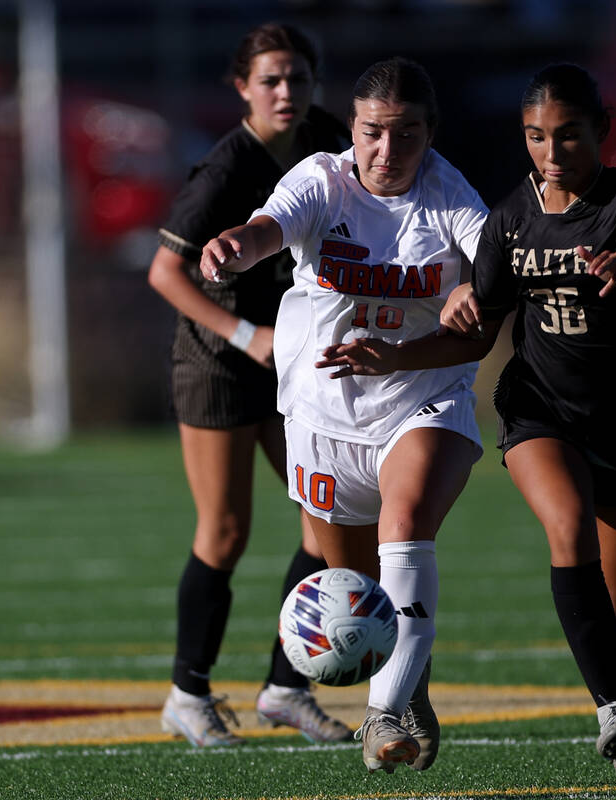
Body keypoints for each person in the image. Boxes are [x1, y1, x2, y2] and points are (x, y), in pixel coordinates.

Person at [316, 62, 616, 778]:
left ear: (602, 131)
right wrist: (394, 352)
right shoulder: (511, 218)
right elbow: (473, 333)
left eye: (569, 136)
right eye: (535, 137)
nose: (552, 154)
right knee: (566, 528)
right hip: (541, 410)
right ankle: (612, 708)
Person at [199, 57, 489, 773]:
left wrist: (477, 287)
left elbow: (496, 279)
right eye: (372, 133)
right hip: (324, 413)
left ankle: (384, 714)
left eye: (407, 135)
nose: (388, 152)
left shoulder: (451, 197)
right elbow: (270, 227)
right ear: (351, 129)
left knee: (408, 520)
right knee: (366, 603)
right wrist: (237, 247)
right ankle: (404, 685)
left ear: (431, 135)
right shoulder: (320, 180)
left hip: (423, 396)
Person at [147, 22, 353, 747]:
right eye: (270, 79)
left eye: (297, 77)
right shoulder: (226, 167)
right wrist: (245, 334)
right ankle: (187, 694)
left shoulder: (333, 139)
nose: (286, 91)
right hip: (220, 361)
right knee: (226, 531)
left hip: (289, 360)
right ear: (242, 88)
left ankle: (285, 688)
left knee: (326, 528)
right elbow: (164, 270)